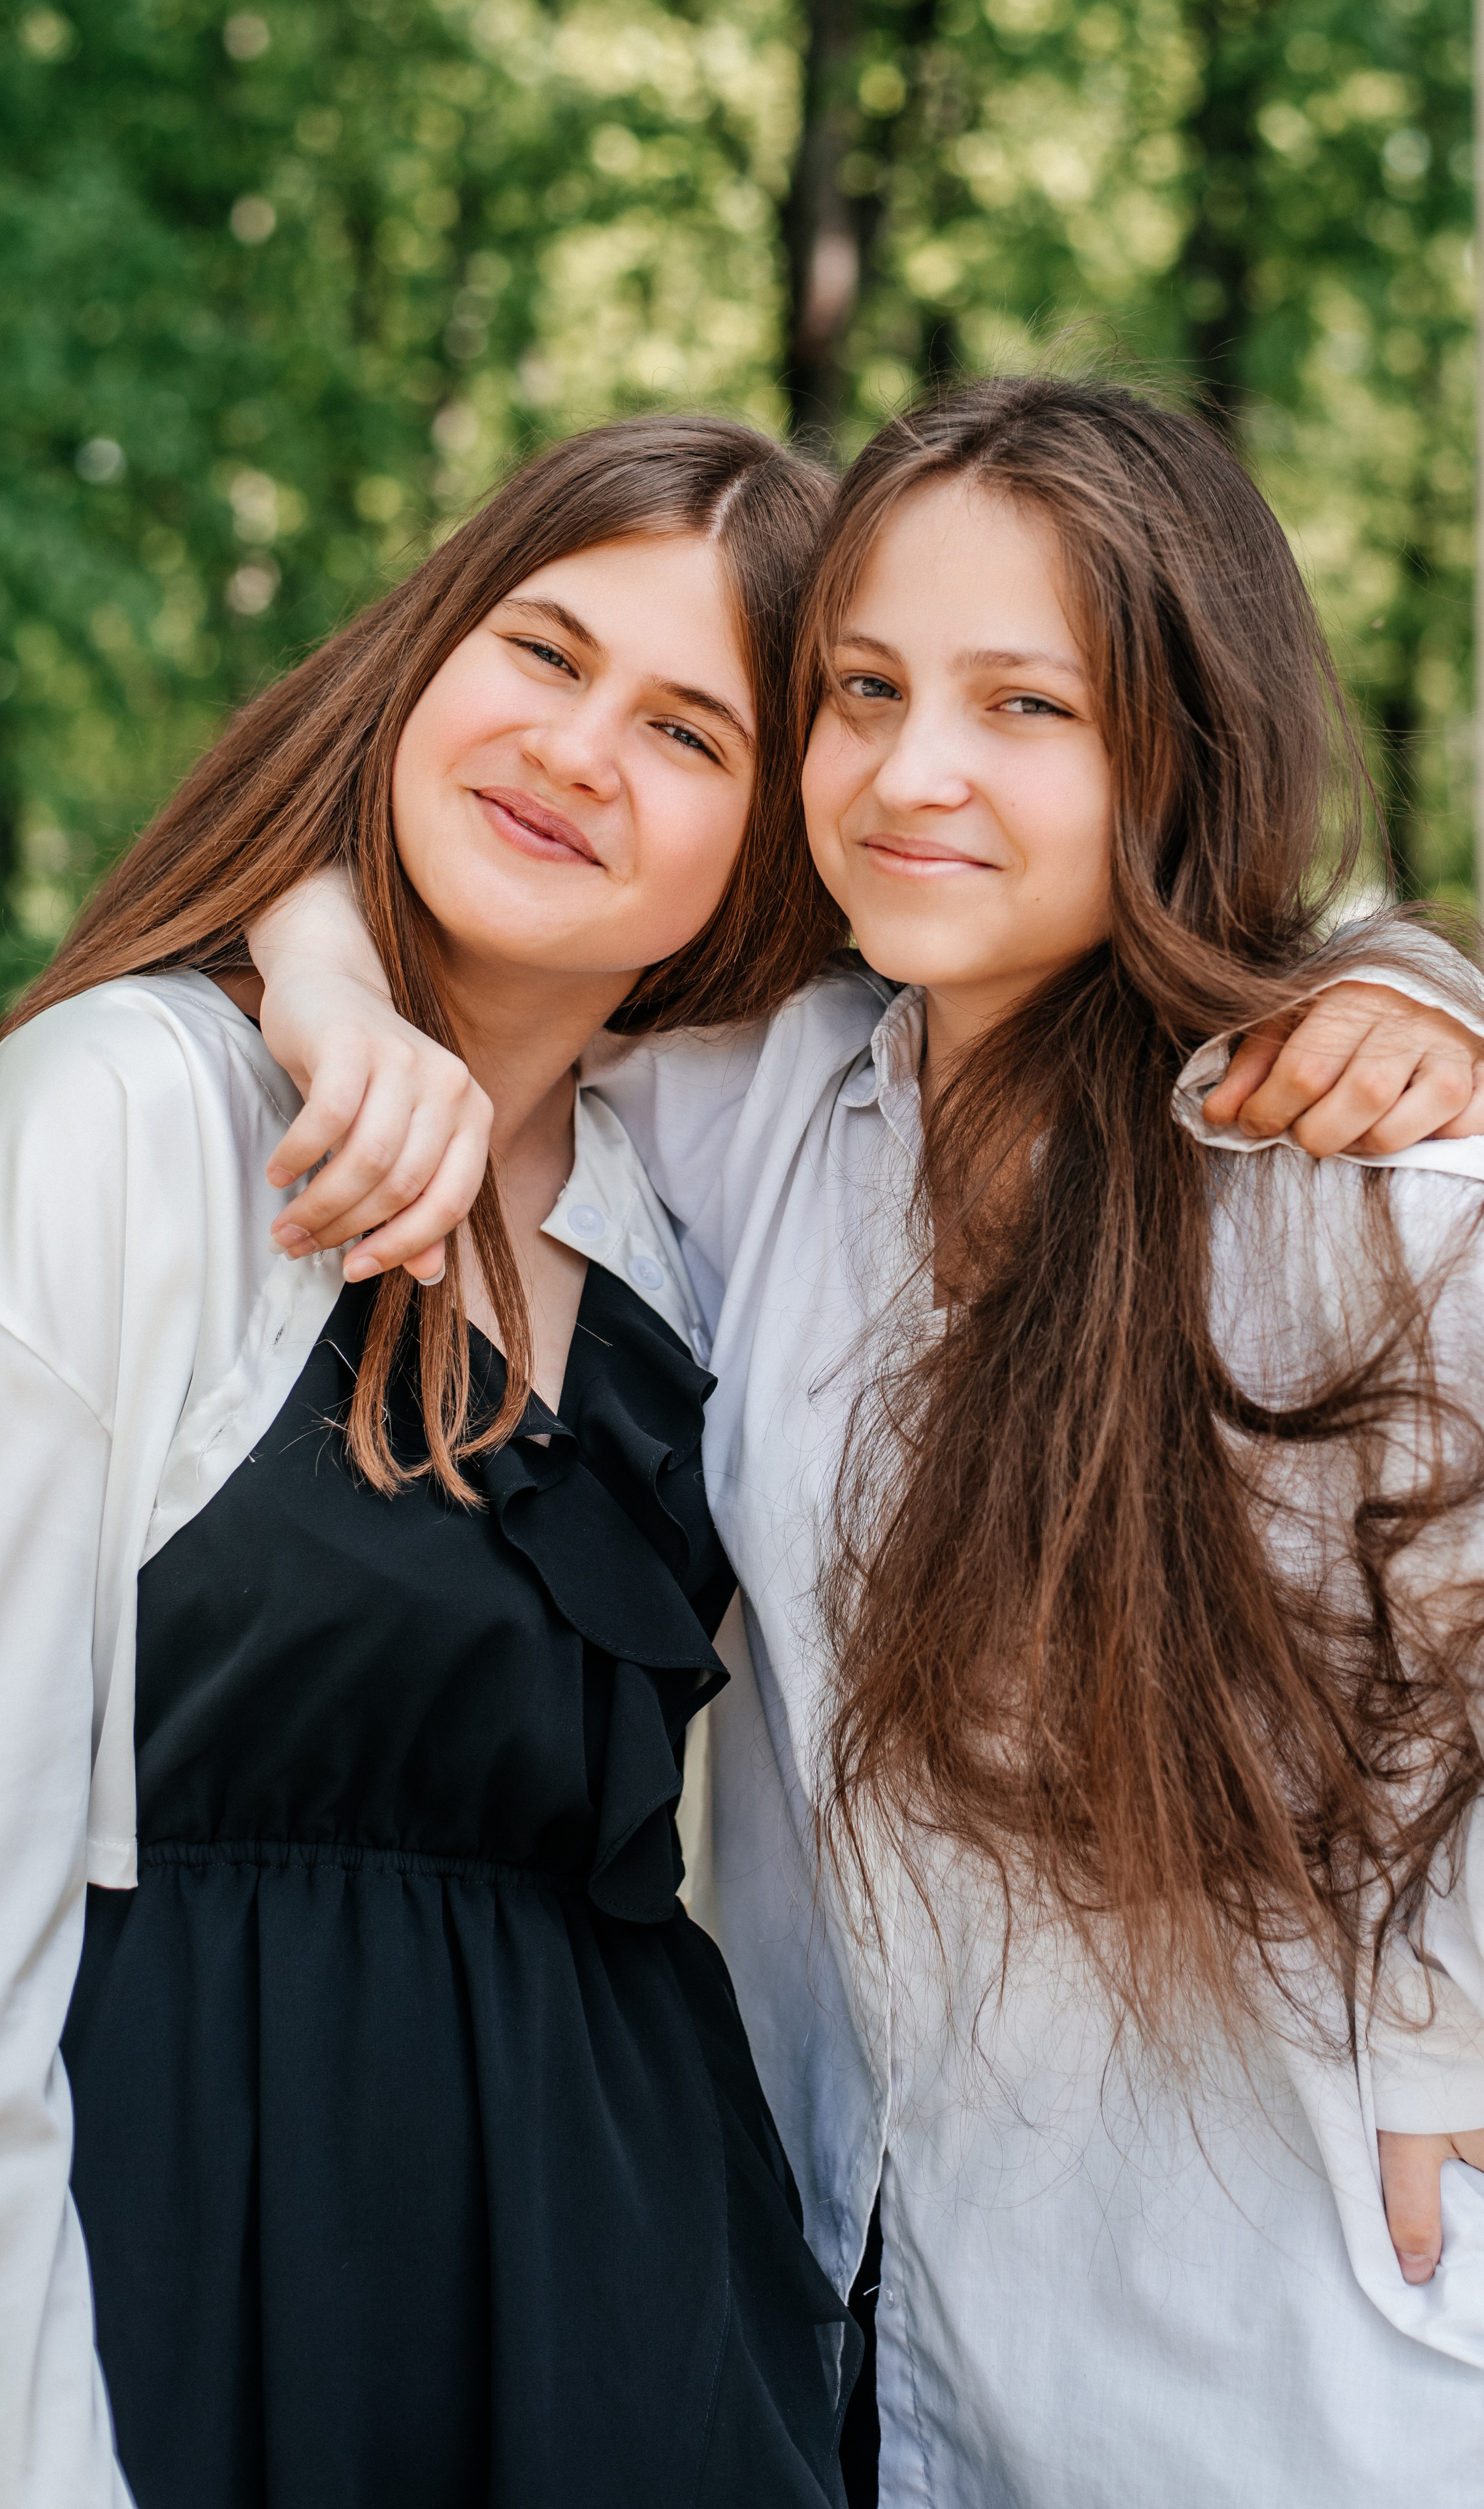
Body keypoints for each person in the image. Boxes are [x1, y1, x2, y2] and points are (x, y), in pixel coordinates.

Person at [248, 376, 1484, 2509]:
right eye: (861, 692)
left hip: (1336, 2398)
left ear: (1186, 742)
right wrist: (330, 1001)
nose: (915, 774)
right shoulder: (786, 1108)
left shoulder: (1353, 1164)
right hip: (909, 2389)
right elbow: (456, 910)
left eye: (1030, 707)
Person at [0, 414, 867, 2509]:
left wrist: (1449, 2053)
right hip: (200, 2278)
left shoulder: (724, 1208)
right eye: (544, 652)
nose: (578, 751)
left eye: (688, 729)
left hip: (633, 2308)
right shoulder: (136, 1120)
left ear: (766, 852)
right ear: (422, 661)